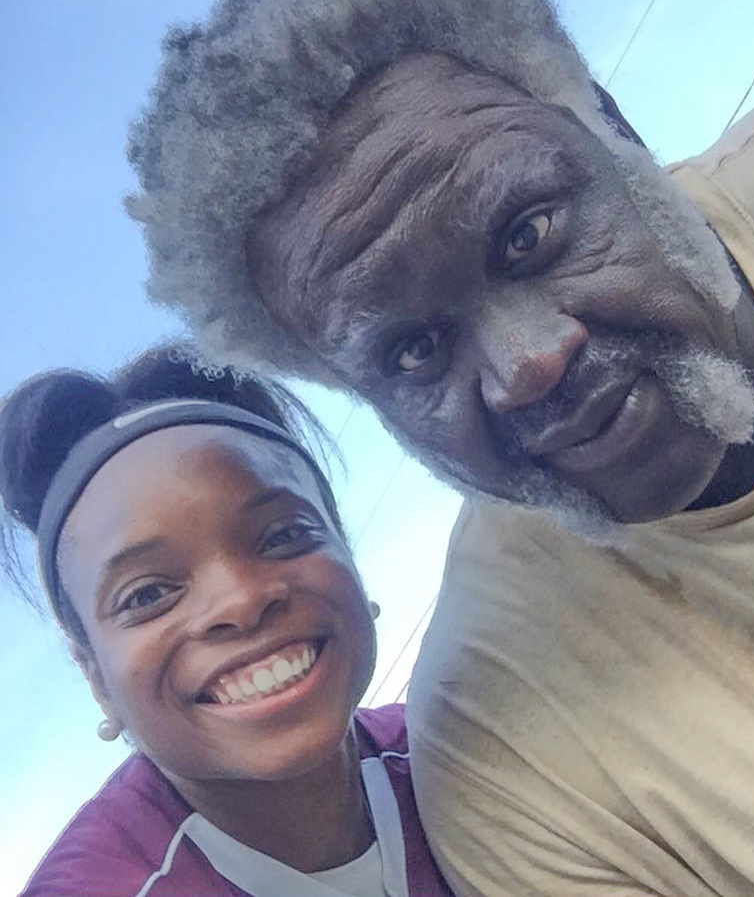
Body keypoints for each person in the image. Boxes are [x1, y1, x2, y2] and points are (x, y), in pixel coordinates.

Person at [126, 0, 754, 894]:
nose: (529, 364)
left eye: (529, 234)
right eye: (416, 350)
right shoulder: (505, 748)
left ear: (611, 127)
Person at [1, 346, 452, 897]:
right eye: (148, 594)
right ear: (95, 677)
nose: (240, 601)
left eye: (284, 535)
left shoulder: (470, 748)